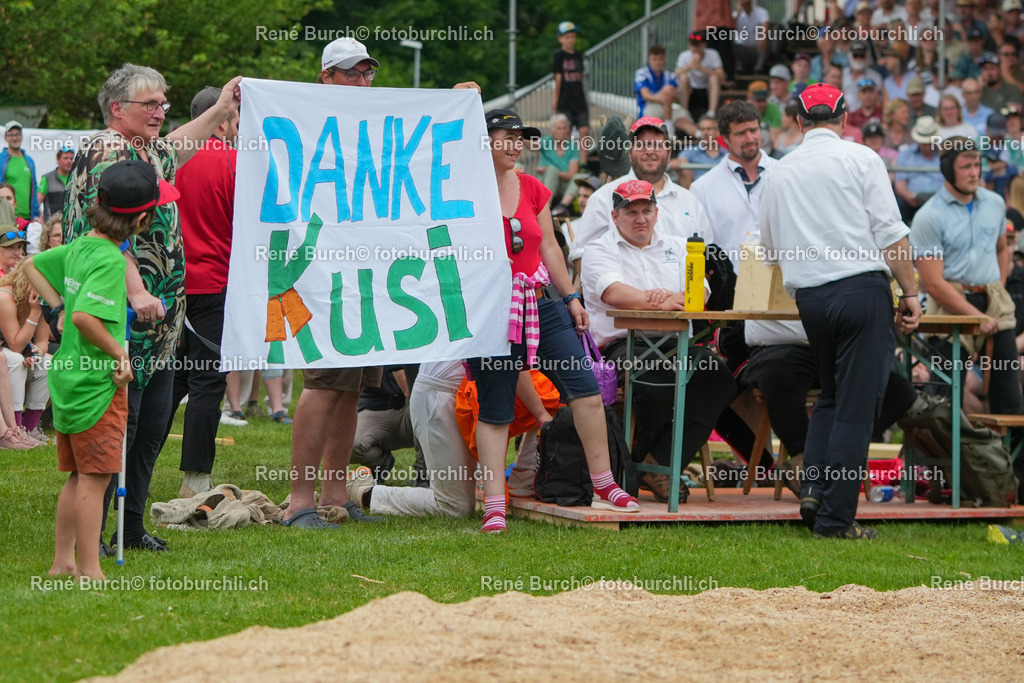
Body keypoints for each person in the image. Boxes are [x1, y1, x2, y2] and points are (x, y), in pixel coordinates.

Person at [280, 38, 480, 528]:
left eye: (367, 73)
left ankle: (335, 495)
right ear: (326, 76)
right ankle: (299, 500)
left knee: (351, 390)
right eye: (351, 73)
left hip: (364, 280)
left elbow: (415, 141)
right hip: (324, 277)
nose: (362, 81)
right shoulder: (309, 119)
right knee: (322, 387)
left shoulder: (372, 122)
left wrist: (452, 103)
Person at [64, 64, 241, 554]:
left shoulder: (143, 148)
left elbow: (177, 147)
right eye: (151, 104)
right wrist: (138, 291)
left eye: (165, 103)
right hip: (118, 317)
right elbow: (108, 235)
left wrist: (221, 109)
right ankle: (94, 534)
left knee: (150, 426)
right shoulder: (107, 152)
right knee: (119, 427)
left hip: (158, 323)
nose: (161, 111)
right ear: (117, 108)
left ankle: (131, 527)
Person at [759, 83, 922, 540]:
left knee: (831, 399)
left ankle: (815, 492)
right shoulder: (862, 158)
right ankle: (835, 520)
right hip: (861, 291)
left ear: (799, 122)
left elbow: (769, 249)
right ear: (844, 118)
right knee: (855, 408)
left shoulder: (779, 172)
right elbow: (891, 233)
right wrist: (911, 292)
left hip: (811, 298)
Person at [470, 108, 640, 534]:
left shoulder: (532, 187)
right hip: (491, 309)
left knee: (586, 392)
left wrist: (571, 298)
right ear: (484, 141)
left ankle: (605, 484)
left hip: (542, 301)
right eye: (506, 137)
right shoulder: (464, 188)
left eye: (520, 138)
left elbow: (549, 247)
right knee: (494, 409)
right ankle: (494, 505)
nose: (516, 146)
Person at [24, 159, 178, 580]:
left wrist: (57, 305)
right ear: (142, 220)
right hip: (97, 384)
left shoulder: (81, 245)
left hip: (69, 377)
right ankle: (89, 569)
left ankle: (63, 561)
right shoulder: (111, 261)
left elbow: (32, 266)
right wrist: (120, 356)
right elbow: (85, 319)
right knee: (95, 479)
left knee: (77, 477)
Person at [581, 179, 735, 502]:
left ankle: (655, 462)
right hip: (622, 345)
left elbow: (700, 292)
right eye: (631, 212)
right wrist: (661, 301)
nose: (641, 218)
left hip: (674, 342)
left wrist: (674, 297)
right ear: (615, 216)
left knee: (718, 377)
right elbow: (613, 292)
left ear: (657, 212)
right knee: (657, 380)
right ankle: (644, 464)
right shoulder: (599, 249)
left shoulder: (679, 246)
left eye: (647, 210)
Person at [153, 86, 243, 498]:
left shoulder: (166, 159)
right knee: (207, 383)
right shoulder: (235, 162)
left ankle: (134, 472)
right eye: (236, 120)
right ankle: (195, 480)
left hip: (168, 288)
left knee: (167, 382)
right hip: (214, 287)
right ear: (221, 120)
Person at [911, 137, 1023, 460]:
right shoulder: (929, 216)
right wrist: (975, 318)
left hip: (992, 303)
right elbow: (933, 282)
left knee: (1010, 402)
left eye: (978, 164)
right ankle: (940, 475)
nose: (975, 172)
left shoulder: (995, 203)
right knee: (944, 400)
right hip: (950, 306)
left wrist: (996, 288)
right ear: (948, 170)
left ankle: (1014, 479)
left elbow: (1002, 249)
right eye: (966, 166)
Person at [569, 117, 712, 265]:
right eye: (642, 145)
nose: (649, 151)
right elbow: (582, 254)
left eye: (656, 145)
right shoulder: (603, 198)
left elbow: (707, 253)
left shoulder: (689, 201)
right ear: (630, 153)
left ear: (669, 152)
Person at [691, 100, 777, 261]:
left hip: (782, 274)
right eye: (741, 133)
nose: (750, 138)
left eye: (754, 130)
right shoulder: (702, 188)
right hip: (732, 276)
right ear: (725, 138)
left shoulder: (785, 173)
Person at [0, 262, 51, 442]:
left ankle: (30, 428)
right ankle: (15, 428)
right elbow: (15, 345)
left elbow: (42, 341)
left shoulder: (42, 298)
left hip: (18, 349)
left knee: (47, 363)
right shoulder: (5, 296)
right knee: (16, 360)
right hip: (5, 348)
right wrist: (35, 312)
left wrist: (36, 354)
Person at [894, 116, 944, 222]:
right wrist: (908, 196)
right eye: (924, 143)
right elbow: (900, 183)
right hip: (912, 202)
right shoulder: (906, 154)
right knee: (899, 205)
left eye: (929, 143)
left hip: (941, 201)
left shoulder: (944, 154)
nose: (927, 146)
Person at [552, 21, 589, 162]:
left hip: (579, 99)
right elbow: (558, 77)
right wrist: (555, 101)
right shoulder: (559, 55)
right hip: (565, 99)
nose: (571, 40)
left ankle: (583, 163)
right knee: (565, 132)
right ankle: (568, 162)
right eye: (567, 37)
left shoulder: (579, 55)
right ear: (560, 38)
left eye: (573, 37)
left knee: (584, 130)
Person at [674, 33, 723, 121]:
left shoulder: (713, 54)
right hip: (691, 89)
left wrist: (701, 68)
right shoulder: (684, 55)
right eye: (693, 46)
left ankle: (712, 112)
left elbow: (721, 75)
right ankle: (684, 111)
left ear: (704, 45)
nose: (695, 49)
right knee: (683, 77)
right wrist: (689, 66)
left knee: (714, 78)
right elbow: (676, 74)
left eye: (698, 46)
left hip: (707, 89)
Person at [537, 113, 580, 211]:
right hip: (546, 183)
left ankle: (562, 207)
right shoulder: (545, 142)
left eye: (564, 128)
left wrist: (549, 171)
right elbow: (531, 145)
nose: (562, 131)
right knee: (552, 171)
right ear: (552, 130)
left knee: (579, 177)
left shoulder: (572, 146)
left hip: (563, 185)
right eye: (559, 128)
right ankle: (545, 207)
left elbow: (572, 174)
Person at [0, 121, 39, 223]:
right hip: (5, 216)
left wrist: (36, 214)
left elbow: (34, 188)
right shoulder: (1, 159)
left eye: (17, 134)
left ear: (22, 137)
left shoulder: (29, 161)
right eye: (11, 135)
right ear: (5, 138)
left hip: (27, 219)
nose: (15, 138)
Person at [672, 114, 723, 187]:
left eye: (709, 129)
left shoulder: (727, 153)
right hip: (696, 192)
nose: (705, 133)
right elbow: (679, 160)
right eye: (702, 129)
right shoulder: (691, 150)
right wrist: (678, 162)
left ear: (717, 131)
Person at [37, 146, 74, 223]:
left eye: (71, 158)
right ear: (58, 159)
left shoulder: (76, 179)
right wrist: (42, 222)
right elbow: (37, 204)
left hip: (71, 224)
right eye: (66, 158)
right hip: (52, 225)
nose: (69, 161)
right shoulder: (47, 178)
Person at [733, 0, 770, 74]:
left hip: (757, 49)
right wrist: (738, 13)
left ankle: (758, 69)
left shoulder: (761, 12)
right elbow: (731, 28)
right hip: (741, 49)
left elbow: (765, 25)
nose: (745, 4)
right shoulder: (735, 14)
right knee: (730, 45)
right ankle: (738, 68)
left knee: (766, 44)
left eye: (747, 2)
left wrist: (763, 38)